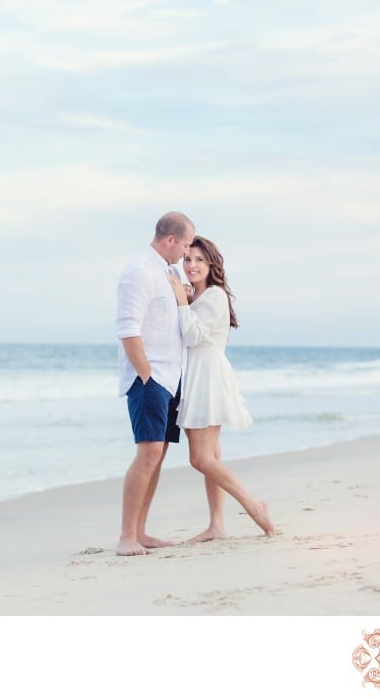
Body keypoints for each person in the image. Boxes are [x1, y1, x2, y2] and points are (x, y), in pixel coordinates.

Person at [167, 236, 275, 539]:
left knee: (200, 459)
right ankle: (217, 525)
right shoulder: (198, 298)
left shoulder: (214, 296)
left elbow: (192, 337)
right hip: (195, 376)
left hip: (208, 376)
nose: (192, 265)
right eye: (187, 259)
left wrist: (180, 302)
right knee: (211, 456)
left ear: (212, 264)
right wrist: (186, 302)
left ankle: (255, 508)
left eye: (200, 260)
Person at [115, 211, 195, 556]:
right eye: (187, 244)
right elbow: (128, 330)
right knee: (147, 454)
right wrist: (146, 375)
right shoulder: (139, 272)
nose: (187, 252)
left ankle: (142, 532)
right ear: (170, 240)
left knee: (157, 455)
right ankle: (126, 537)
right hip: (149, 379)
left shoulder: (168, 271)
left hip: (169, 378)